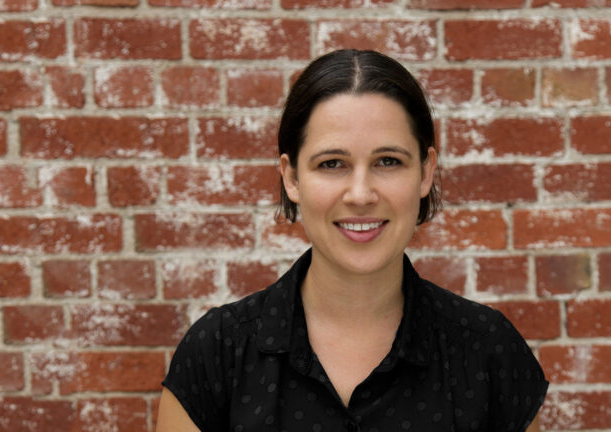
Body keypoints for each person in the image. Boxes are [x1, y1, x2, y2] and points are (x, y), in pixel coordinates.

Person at [157, 49, 548, 432]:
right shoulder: (217, 353)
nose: (360, 194)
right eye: (332, 164)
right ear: (291, 177)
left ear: (426, 172)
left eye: (387, 161)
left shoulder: (487, 352)